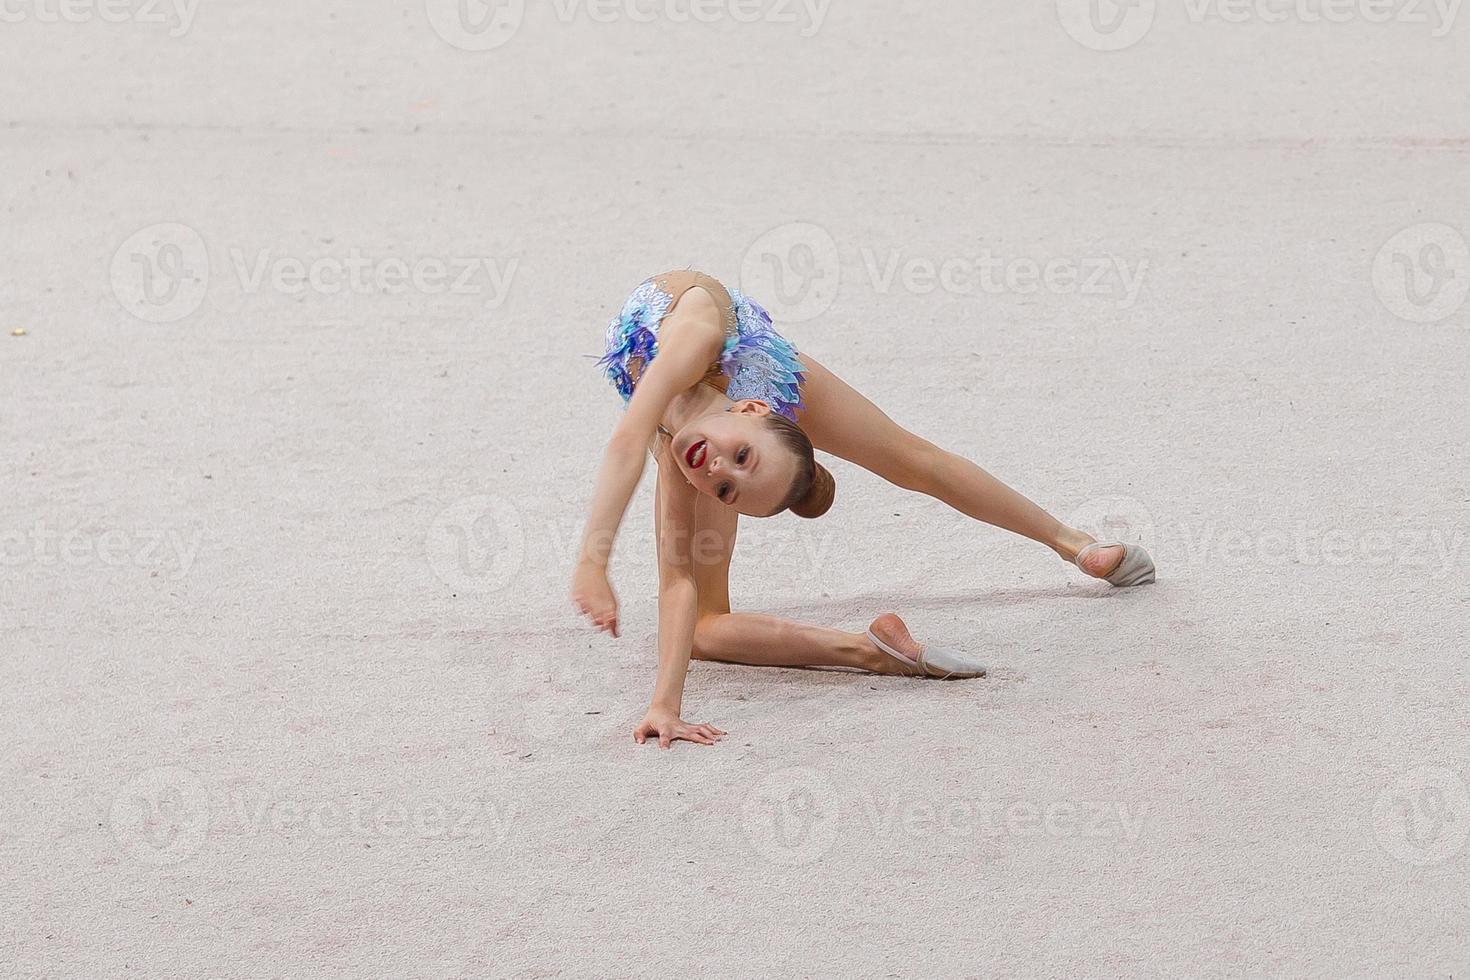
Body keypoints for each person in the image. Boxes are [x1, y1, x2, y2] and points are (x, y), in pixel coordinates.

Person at [571, 270, 1154, 749]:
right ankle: (873, 652)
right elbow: (675, 583)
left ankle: (1075, 544)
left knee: (911, 459)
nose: (717, 471)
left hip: (746, 357)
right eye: (725, 487)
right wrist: (663, 708)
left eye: (736, 469)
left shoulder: (694, 362)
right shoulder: (693, 459)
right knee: (698, 628)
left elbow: (627, 440)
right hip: (727, 405)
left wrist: (593, 563)